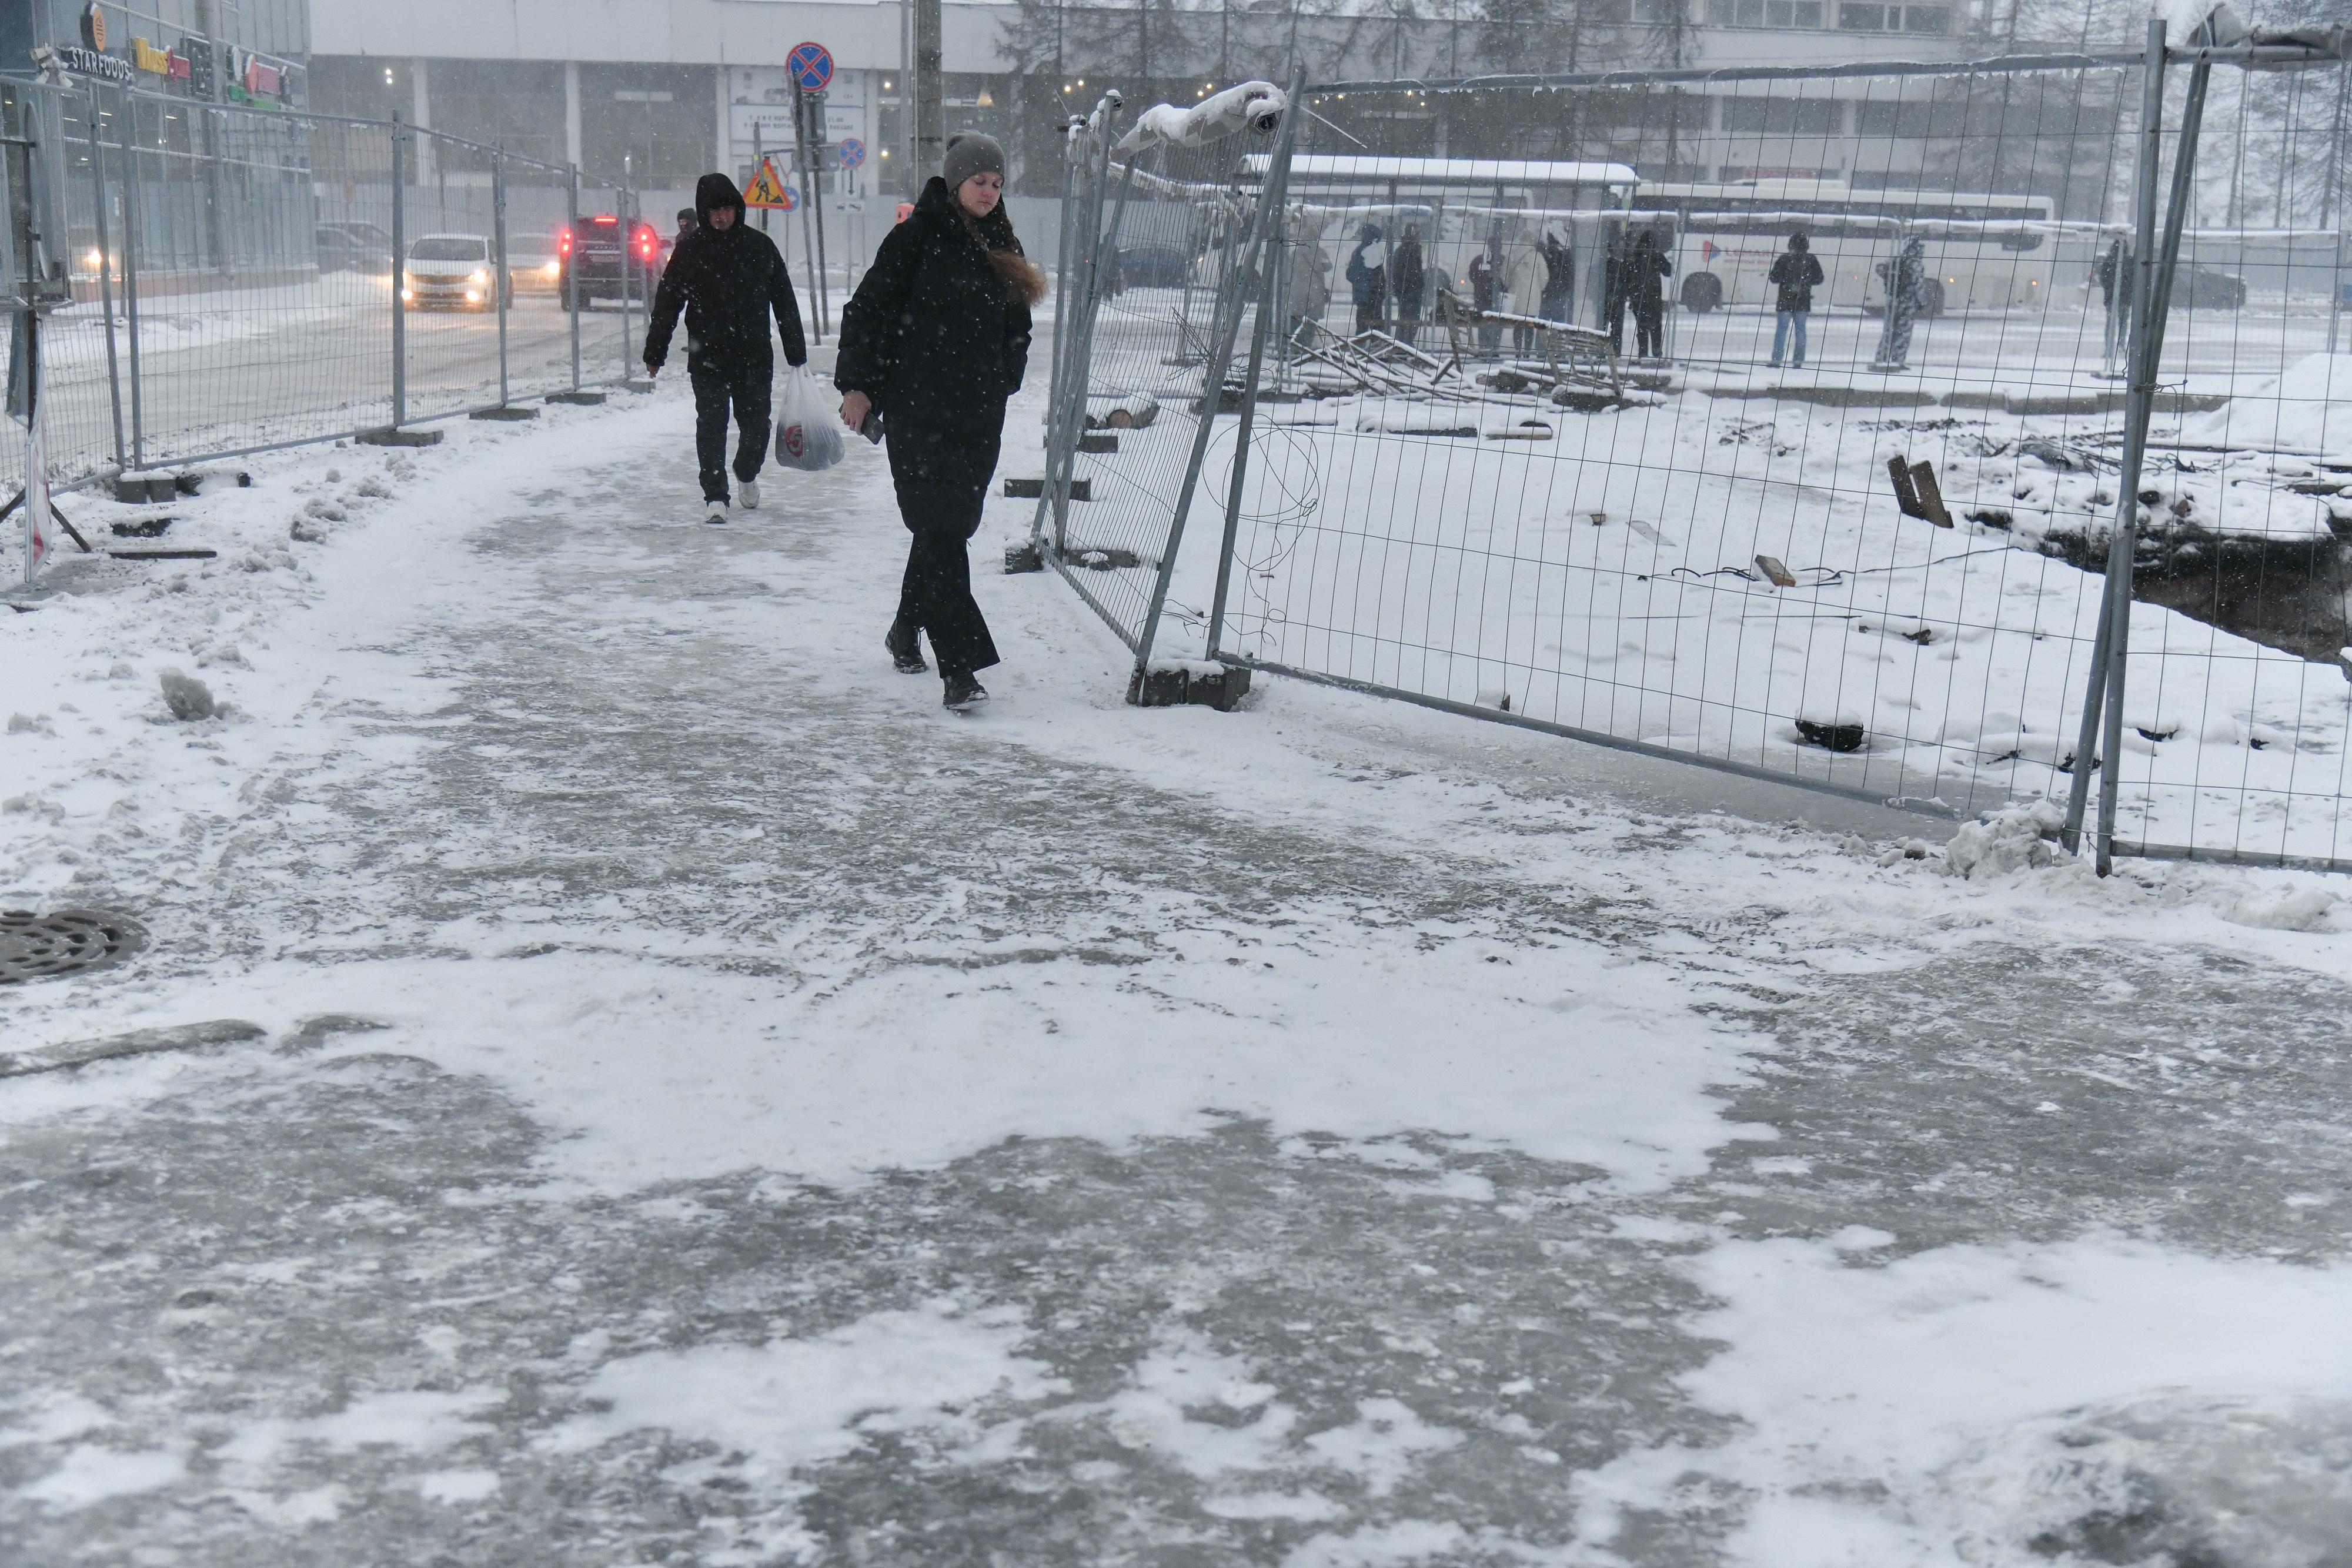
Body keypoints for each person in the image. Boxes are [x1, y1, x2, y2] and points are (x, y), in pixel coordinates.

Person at [834, 132, 1043, 713]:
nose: (989, 191)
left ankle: (905, 630)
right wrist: (857, 385)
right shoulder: (915, 239)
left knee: (944, 531)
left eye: (997, 183)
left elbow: (1016, 323)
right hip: (918, 409)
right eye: (980, 181)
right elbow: (867, 311)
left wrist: (1007, 373)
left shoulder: (1004, 240)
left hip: (978, 412)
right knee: (940, 528)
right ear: (955, 182)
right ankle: (958, 670)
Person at [643, 173, 807, 524]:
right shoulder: (691, 250)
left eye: (727, 208)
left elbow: (784, 300)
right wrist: (655, 350)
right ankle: (715, 495)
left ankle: (746, 472)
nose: (721, 216)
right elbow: (668, 302)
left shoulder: (760, 247)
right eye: (714, 209)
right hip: (708, 358)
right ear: (705, 212)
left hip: (754, 356)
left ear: (738, 208)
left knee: (756, 428)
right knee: (712, 425)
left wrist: (796, 350)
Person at [1766, 232, 1826, 368]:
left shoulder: (1784, 259)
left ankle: (1777, 360)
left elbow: (1774, 278)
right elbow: (1820, 279)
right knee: (1801, 331)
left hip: (1785, 300)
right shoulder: (1811, 260)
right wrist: (1805, 282)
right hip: (1803, 301)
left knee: (1781, 331)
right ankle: (1798, 361)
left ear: (1790, 245)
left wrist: (1787, 280)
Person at [1872, 235, 1927, 372]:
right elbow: (1918, 285)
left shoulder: (1897, 260)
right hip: (1907, 303)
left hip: (1893, 301)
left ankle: (1881, 359)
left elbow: (1880, 269)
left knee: (1889, 331)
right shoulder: (1915, 264)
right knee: (1903, 333)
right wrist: (1922, 302)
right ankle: (1898, 360)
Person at [1628, 229, 1672, 361]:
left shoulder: (1635, 256)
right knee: (1656, 327)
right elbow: (1668, 272)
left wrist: (1632, 294)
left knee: (1642, 328)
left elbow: (1629, 277)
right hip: (1654, 297)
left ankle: (1643, 354)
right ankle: (1657, 352)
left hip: (1638, 297)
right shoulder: (1657, 256)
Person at [1505, 235, 1547, 355]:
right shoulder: (1538, 257)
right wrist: (1539, 288)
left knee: (1518, 325)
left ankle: (1518, 349)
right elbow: (1544, 277)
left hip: (1516, 297)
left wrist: (1510, 286)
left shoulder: (1512, 255)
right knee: (1529, 325)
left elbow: (1504, 275)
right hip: (1532, 298)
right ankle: (1527, 351)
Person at [1344, 223, 1387, 336]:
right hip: (1373, 296)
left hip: (1363, 296)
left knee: (1362, 328)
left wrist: (1361, 284)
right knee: (1376, 329)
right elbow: (1378, 274)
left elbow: (1350, 274)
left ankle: (1359, 350)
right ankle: (1375, 349)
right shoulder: (1372, 250)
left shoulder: (1359, 251)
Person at [1391, 223, 1426, 346]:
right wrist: (1412, 287)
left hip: (1410, 292)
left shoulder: (1409, 250)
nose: (1420, 237)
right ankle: (1405, 344)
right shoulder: (1408, 251)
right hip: (1409, 292)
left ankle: (1404, 343)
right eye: (1418, 234)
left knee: (1409, 319)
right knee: (1409, 319)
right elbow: (1410, 273)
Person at [1467, 239, 1501, 353]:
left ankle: (1488, 348)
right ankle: (1490, 348)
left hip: (1485, 297)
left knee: (1487, 324)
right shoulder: (1498, 260)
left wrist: (1481, 283)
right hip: (1487, 298)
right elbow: (1473, 276)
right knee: (1491, 324)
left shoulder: (1480, 260)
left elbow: (1472, 276)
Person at [1538, 228, 1575, 326]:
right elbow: (1569, 278)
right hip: (1559, 295)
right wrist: (1564, 290)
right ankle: (1558, 339)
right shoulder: (1565, 257)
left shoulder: (1544, 256)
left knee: (1542, 324)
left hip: (1546, 295)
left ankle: (1541, 340)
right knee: (1559, 324)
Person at [1598, 230, 1627, 355]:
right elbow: (1625, 284)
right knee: (1611, 329)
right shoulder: (1618, 266)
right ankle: (1613, 352)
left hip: (1610, 302)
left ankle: (1608, 352)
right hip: (1612, 302)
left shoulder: (1599, 266)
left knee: (1607, 329)